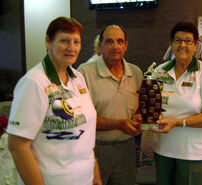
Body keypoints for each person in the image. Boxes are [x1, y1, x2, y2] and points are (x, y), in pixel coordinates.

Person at [6, 16, 102, 185]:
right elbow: (17, 146)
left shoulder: (77, 77)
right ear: (48, 42)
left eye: (76, 42)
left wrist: (95, 172)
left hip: (85, 178)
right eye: (64, 41)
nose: (71, 48)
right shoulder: (34, 82)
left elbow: (85, 133)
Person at [152, 21, 202, 185]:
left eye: (188, 41)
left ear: (196, 45)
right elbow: (151, 106)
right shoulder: (158, 71)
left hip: (194, 154)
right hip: (163, 150)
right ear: (171, 44)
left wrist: (176, 123)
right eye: (178, 40)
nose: (182, 45)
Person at [78, 25, 143, 185]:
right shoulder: (84, 72)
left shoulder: (136, 73)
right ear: (100, 46)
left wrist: (141, 119)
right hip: (94, 149)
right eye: (109, 41)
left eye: (120, 41)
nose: (115, 46)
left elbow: (140, 108)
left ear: (126, 45)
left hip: (127, 149)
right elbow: (81, 118)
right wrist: (119, 124)